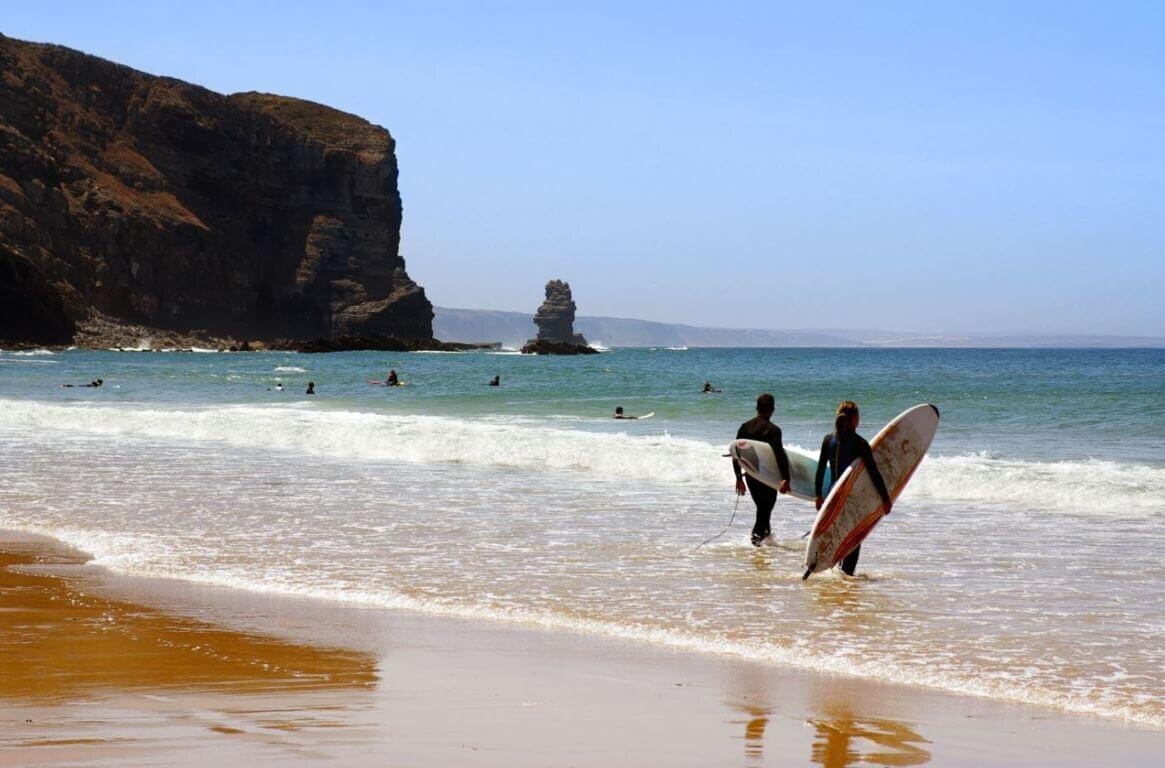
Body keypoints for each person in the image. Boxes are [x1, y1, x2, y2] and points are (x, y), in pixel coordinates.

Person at [814, 400, 893, 576]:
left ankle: (836, 578)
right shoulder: (860, 443)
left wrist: (819, 496)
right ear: (854, 418)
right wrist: (885, 499)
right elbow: (874, 473)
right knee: (852, 540)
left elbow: (820, 471)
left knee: (836, 537)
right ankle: (846, 578)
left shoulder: (828, 440)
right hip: (850, 499)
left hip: (831, 497)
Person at [733, 393, 791, 546]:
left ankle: (766, 548)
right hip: (768, 478)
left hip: (751, 477)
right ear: (772, 409)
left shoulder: (744, 427)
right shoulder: (773, 430)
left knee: (763, 510)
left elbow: (736, 454)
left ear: (757, 408)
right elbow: (780, 456)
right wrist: (786, 478)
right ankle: (754, 544)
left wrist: (739, 478)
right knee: (764, 513)